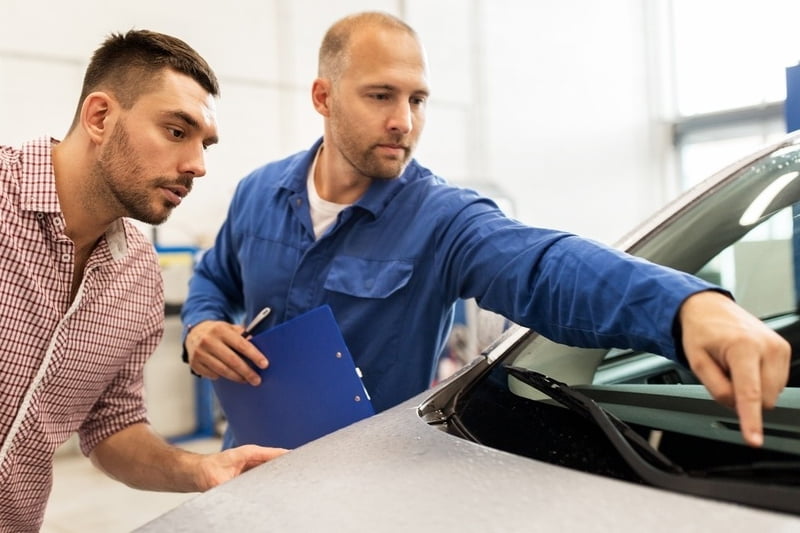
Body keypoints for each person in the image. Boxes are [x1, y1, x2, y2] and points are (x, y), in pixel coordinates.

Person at [182, 12, 789, 453]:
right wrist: (201, 327)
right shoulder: (259, 193)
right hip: (248, 460)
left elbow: (542, 265)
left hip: (361, 480)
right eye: (380, 95)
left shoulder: (439, 218)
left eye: (418, 99)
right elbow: (214, 276)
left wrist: (685, 307)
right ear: (324, 96)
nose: (404, 122)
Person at [0, 30, 287, 531]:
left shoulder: (137, 278)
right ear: (100, 117)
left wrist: (201, 469)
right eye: (177, 131)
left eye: (205, 144)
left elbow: (112, 428)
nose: (197, 165)